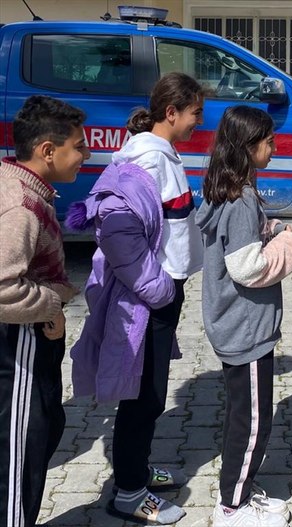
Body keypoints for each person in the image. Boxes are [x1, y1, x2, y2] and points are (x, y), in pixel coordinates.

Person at [69, 72, 206, 525]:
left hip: (159, 291)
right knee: (143, 396)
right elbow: (116, 229)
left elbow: (174, 219)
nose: (196, 124)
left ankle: (137, 470)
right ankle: (128, 493)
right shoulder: (148, 159)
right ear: (172, 112)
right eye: (194, 114)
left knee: (149, 392)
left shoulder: (160, 153)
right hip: (149, 297)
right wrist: (160, 289)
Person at [196, 106, 292, 527]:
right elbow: (247, 268)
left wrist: (270, 227)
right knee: (253, 422)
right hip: (245, 328)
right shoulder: (240, 199)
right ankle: (232, 506)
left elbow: (241, 237)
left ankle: (240, 488)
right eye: (268, 141)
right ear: (247, 146)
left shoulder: (228, 187)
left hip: (233, 324)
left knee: (245, 415)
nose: (274, 148)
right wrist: (289, 247)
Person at [0, 95, 88, 527]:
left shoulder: (24, 188)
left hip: (32, 340)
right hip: (18, 347)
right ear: (47, 151)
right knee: (21, 453)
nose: (85, 155)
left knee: (45, 429)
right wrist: (53, 300)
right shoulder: (21, 207)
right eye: (77, 145)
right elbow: (2, 288)